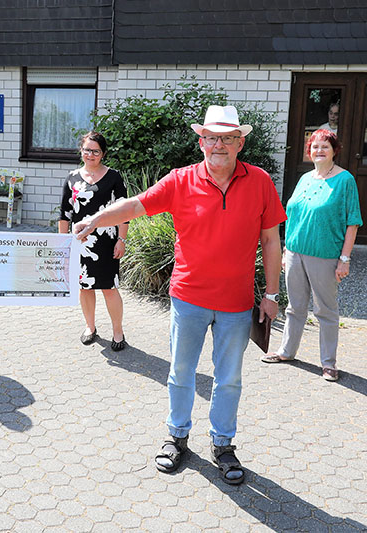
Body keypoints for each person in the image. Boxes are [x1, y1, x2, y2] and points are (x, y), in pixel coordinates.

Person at [74, 105, 285, 485]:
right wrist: (95, 219)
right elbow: (135, 204)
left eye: (227, 138)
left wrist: (271, 293)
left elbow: (271, 240)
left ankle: (223, 444)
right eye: (211, 138)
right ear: (200, 141)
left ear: (240, 142)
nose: (219, 145)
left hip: (237, 304)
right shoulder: (180, 180)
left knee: (229, 378)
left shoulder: (260, 182)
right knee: (181, 373)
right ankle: (177, 436)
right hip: (188, 298)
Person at [262, 129, 362, 381]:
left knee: (326, 310)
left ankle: (328, 363)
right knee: (295, 308)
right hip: (295, 252)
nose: (319, 151)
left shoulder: (345, 180)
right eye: (315, 147)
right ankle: (286, 351)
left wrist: (345, 259)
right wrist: (285, 249)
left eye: (325, 147)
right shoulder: (306, 178)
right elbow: (293, 216)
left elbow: (353, 222)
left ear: (334, 150)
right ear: (309, 151)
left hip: (325, 255)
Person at [58, 131, 128, 349]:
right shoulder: (72, 178)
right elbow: (64, 214)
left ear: (103, 154)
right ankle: (90, 327)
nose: (90, 154)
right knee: (85, 287)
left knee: (109, 288)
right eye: (87, 150)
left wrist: (121, 240)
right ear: (81, 150)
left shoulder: (114, 177)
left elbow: (124, 211)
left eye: (95, 151)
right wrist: (63, 245)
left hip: (106, 242)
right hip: (80, 242)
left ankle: (118, 331)